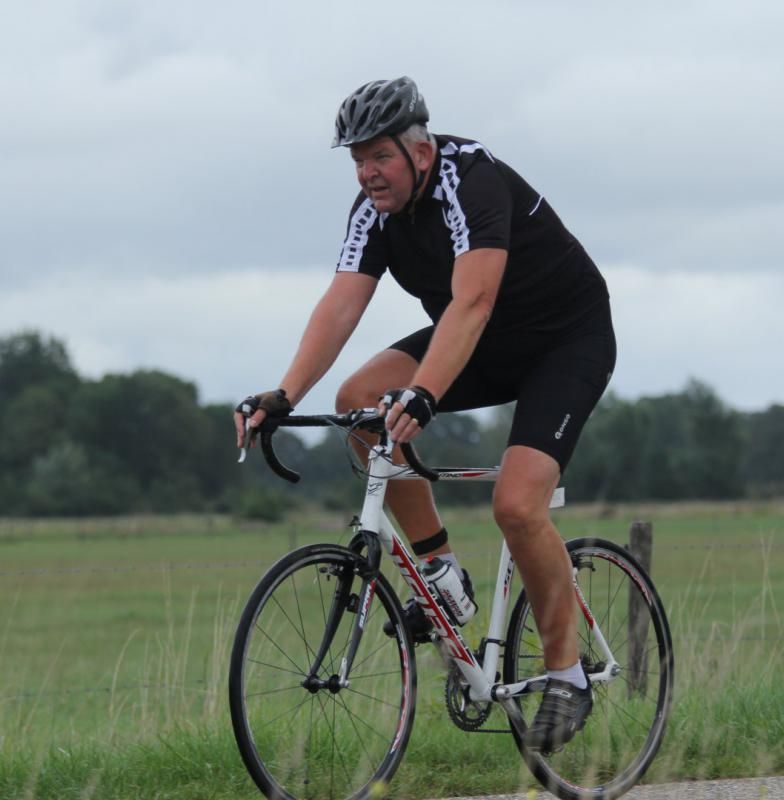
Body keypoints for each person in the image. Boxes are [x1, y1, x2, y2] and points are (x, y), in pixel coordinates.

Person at [233, 76, 616, 752]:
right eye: (357, 159)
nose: (367, 173)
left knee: (517, 505)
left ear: (420, 151)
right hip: (482, 344)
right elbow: (341, 304)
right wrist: (285, 394)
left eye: (379, 156)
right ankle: (441, 575)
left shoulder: (471, 181)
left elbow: (473, 300)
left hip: (564, 341)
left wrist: (425, 393)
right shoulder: (373, 211)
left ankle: (566, 675)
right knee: (358, 402)